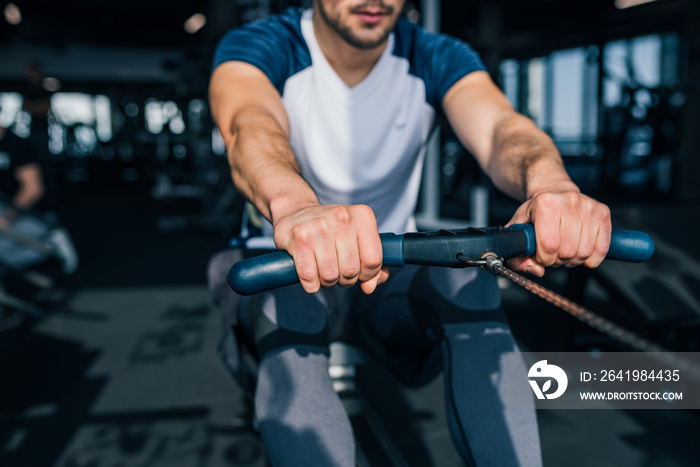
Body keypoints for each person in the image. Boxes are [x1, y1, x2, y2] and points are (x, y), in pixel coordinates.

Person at [207, 1, 612, 466]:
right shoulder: (264, 44)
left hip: (390, 268)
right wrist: (297, 208)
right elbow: (248, 126)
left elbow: (502, 128)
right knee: (288, 308)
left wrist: (552, 186)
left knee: (469, 282)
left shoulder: (432, 55)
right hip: (289, 263)